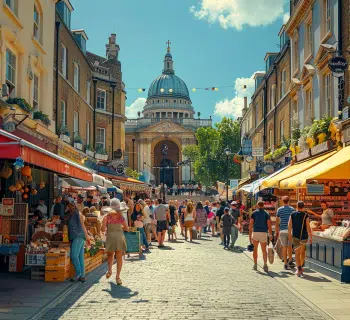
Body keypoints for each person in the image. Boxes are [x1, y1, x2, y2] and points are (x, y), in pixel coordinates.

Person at [101, 202, 129, 285]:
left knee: (110, 255)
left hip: (110, 237)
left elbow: (102, 229)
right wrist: (120, 227)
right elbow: (127, 229)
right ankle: (118, 277)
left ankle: (109, 270)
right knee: (119, 257)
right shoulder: (121, 217)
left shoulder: (106, 217)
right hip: (119, 236)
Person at [67, 198, 90, 282]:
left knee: (74, 255)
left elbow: (83, 225)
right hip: (79, 236)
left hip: (78, 236)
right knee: (80, 257)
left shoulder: (78, 214)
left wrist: (87, 236)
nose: (70, 207)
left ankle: (79, 274)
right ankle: (82, 275)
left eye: (71, 206)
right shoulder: (73, 214)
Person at [288, 201, 312, 277]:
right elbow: (308, 227)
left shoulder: (292, 214)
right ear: (303, 207)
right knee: (303, 252)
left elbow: (289, 226)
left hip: (295, 236)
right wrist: (310, 236)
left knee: (297, 253)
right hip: (304, 236)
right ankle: (300, 266)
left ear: (296, 206)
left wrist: (289, 235)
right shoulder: (305, 215)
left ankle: (298, 269)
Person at [249, 201, 272, 272]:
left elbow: (251, 224)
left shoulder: (254, 213)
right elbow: (269, 225)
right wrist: (270, 234)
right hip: (263, 233)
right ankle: (265, 265)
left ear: (257, 205)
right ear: (263, 205)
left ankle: (255, 264)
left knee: (255, 249)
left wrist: (250, 235)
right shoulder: (266, 214)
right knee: (264, 250)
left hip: (255, 232)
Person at [276, 196, 295, 270]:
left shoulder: (279, 210)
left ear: (282, 201)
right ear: (289, 201)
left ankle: (285, 264)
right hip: (290, 231)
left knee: (284, 247)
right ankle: (290, 260)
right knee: (290, 247)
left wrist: (277, 230)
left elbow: (277, 221)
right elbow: (293, 220)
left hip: (282, 230)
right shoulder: (292, 209)